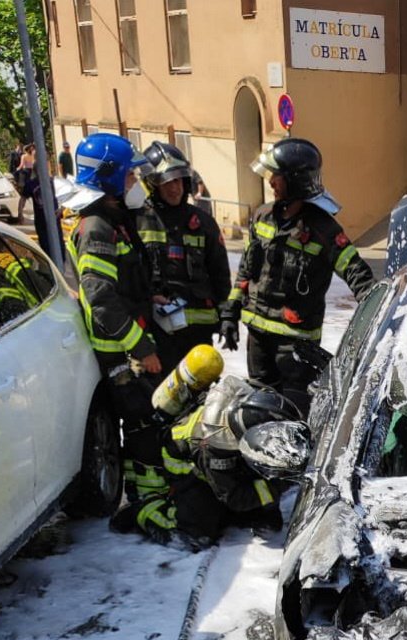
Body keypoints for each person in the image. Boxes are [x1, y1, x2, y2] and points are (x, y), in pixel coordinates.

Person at [219, 137, 375, 415]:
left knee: (294, 414)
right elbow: (245, 269)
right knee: (258, 412)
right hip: (258, 338)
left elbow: (357, 274)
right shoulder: (262, 217)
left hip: (295, 346)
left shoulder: (323, 229)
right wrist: (230, 311)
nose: (271, 183)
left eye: (277, 176)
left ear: (295, 181)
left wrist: (377, 315)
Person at [65, 132, 163, 511]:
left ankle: (146, 495)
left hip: (128, 341)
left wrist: (146, 296)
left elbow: (120, 282)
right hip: (119, 350)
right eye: (129, 177)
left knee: (144, 420)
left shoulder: (113, 219)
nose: (135, 184)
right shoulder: (97, 229)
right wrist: (142, 348)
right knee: (141, 423)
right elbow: (101, 298)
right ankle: (147, 501)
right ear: (109, 179)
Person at [129, 380, 297, 547]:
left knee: (268, 521)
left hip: (219, 464)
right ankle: (144, 512)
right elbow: (234, 497)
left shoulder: (252, 403)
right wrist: (281, 483)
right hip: (189, 473)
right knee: (199, 533)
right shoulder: (217, 447)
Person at [133, 141, 231, 370]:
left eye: (177, 180)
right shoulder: (136, 221)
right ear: (151, 184)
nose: (173, 188)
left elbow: (221, 276)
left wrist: (228, 318)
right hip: (156, 336)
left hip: (198, 335)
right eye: (166, 182)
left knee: (199, 398)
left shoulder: (204, 223)